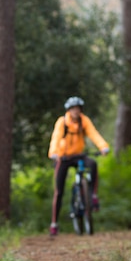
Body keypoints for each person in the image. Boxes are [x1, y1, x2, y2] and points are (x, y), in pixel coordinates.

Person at [47, 96, 110, 236]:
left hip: (79, 155)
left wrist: (103, 146)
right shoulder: (62, 122)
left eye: (78, 109)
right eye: (73, 109)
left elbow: (94, 134)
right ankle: (54, 223)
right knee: (59, 191)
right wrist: (53, 153)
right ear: (69, 110)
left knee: (92, 164)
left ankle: (92, 195)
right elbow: (56, 138)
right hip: (63, 157)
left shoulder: (84, 120)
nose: (76, 111)